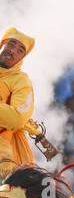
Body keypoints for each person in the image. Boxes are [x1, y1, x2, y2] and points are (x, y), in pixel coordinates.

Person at [0, 27, 37, 170]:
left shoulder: (21, 81)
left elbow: (17, 117)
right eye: (11, 44)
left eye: (20, 50)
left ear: (21, 58)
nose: (13, 51)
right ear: (2, 44)